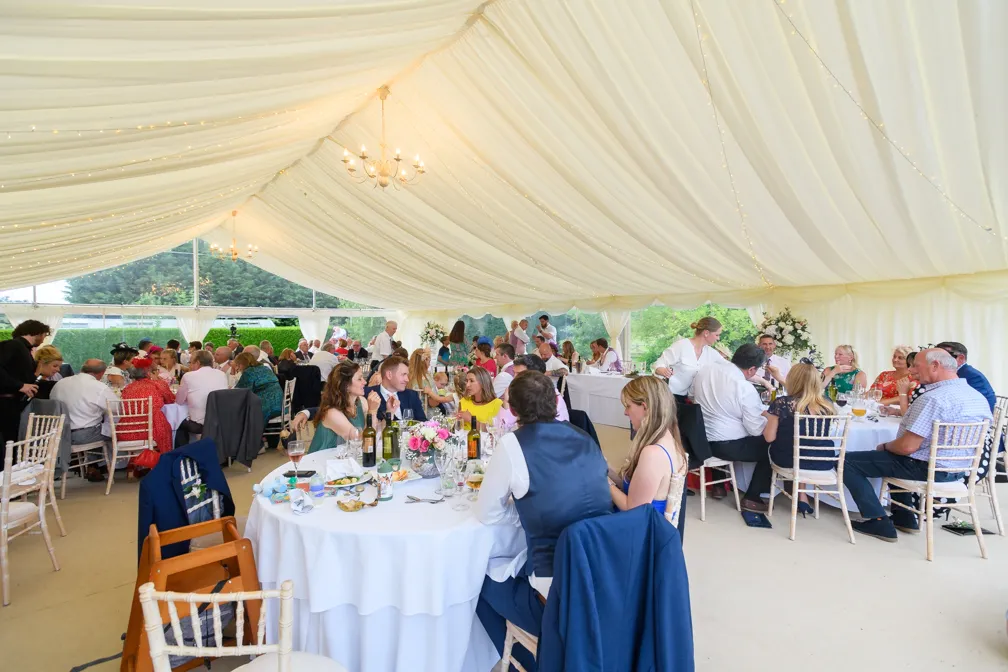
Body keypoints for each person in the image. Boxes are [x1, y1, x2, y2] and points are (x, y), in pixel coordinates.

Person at [475, 370, 612, 671]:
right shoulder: (584, 437)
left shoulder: (513, 444)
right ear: (555, 401)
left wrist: (526, 511)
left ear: (511, 410)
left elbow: (487, 513)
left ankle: (525, 664)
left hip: (556, 593)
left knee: (476, 582)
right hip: (605, 575)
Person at [843, 348, 993, 542]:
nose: (912, 369)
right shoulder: (976, 397)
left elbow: (907, 447)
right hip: (960, 470)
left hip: (927, 468)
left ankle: (877, 519)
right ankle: (905, 518)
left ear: (935, 366)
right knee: (895, 459)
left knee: (847, 461)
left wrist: (886, 446)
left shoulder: (932, 398)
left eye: (916, 365)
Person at [692, 344, 771, 512]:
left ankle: (719, 485)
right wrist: (768, 417)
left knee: (722, 424)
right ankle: (752, 497)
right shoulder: (744, 387)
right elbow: (755, 430)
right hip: (726, 446)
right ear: (751, 369)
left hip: (701, 440)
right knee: (771, 448)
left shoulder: (706, 370)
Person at [763, 363, 838, 515]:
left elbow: (769, 438)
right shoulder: (827, 405)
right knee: (804, 446)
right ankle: (802, 496)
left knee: (790, 448)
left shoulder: (782, 403)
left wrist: (768, 416)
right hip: (822, 461)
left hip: (790, 461)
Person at [610, 376, 687, 520]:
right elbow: (636, 490)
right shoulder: (670, 438)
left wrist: (605, 483)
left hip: (640, 533)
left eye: (628, 406)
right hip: (647, 525)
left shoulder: (653, 454)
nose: (625, 412)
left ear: (645, 407)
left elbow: (632, 509)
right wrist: (605, 469)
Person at [50, 359, 121, 481]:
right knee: (114, 432)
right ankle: (107, 466)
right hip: (83, 435)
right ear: (101, 373)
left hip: (59, 434)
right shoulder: (98, 387)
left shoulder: (60, 383)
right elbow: (117, 408)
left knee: (97, 425)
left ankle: (93, 466)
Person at [0, 319, 50, 460]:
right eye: (44, 335)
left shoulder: (22, 348)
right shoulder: (14, 345)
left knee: (12, 440)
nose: (43, 339)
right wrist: (20, 386)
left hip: (12, 401)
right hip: (6, 402)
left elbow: (23, 376)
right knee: (8, 441)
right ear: (37, 333)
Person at [307, 362, 380, 454]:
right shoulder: (332, 413)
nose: (364, 382)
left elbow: (373, 434)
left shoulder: (361, 402)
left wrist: (390, 411)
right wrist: (372, 411)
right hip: (321, 463)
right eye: (359, 379)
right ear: (346, 386)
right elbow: (363, 443)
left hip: (344, 460)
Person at [118, 357, 176, 471]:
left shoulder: (127, 388)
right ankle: (163, 467)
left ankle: (133, 467)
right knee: (166, 428)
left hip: (127, 431)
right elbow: (170, 399)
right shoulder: (158, 384)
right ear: (149, 372)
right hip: (151, 430)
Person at [654, 317, 724, 398]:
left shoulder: (711, 353)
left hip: (691, 399)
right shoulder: (681, 346)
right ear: (706, 333)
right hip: (669, 397)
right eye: (717, 335)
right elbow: (658, 364)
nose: (718, 338)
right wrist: (663, 370)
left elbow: (728, 367)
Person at [174, 350, 228, 436]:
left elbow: (179, 401)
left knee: (174, 419)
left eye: (190, 362)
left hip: (198, 424)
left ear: (198, 363)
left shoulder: (188, 376)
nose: (189, 366)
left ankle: (184, 447)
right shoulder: (222, 374)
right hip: (220, 421)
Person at [364, 355, 427, 423]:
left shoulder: (411, 395)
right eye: (403, 374)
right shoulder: (367, 395)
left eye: (407, 375)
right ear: (389, 375)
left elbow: (423, 423)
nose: (407, 379)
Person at [935, 341, 996, 412]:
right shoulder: (958, 372)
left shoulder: (973, 376)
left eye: (943, 357)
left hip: (976, 417)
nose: (936, 360)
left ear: (960, 358)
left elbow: (979, 405)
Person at [232, 352, 283, 426]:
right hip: (279, 403)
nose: (237, 368)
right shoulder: (264, 368)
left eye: (238, 365)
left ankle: (247, 435)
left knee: (238, 412)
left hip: (267, 407)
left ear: (242, 364)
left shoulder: (249, 372)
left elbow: (240, 392)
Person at [408, 349, 453, 417]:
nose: (429, 364)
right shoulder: (427, 379)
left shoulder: (407, 378)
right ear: (425, 361)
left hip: (410, 413)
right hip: (426, 415)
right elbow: (433, 403)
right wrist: (440, 395)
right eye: (429, 361)